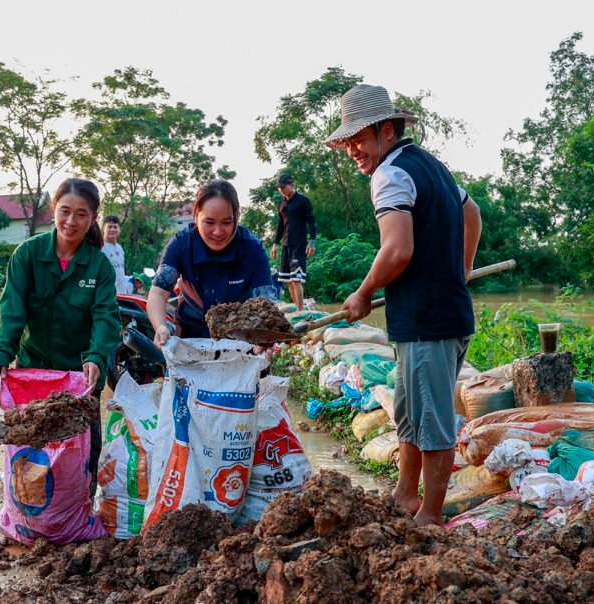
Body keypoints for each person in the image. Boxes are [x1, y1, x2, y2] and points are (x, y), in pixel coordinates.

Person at [325, 84, 481, 527]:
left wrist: (362, 292)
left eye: (358, 139)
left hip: (430, 321)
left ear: (387, 130)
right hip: (428, 318)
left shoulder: (390, 174)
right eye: (348, 141)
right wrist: (462, 268)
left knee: (431, 422)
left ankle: (430, 516)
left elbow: (397, 251)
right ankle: (403, 495)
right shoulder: (431, 166)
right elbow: (472, 215)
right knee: (409, 411)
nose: (353, 150)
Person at [0, 178, 120, 489]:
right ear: (53, 210)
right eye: (65, 211)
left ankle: (80, 512)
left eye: (81, 215)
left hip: (82, 374)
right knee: (34, 449)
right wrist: (3, 349)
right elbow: (12, 308)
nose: (71, 222)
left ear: (93, 218)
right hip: (36, 370)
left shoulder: (99, 266)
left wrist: (97, 356)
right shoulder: (27, 255)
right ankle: (33, 517)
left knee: (83, 452)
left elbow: (105, 318)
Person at [148, 179, 276, 346]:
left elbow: (266, 304)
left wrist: (264, 338)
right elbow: (158, 293)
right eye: (209, 222)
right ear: (196, 216)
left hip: (242, 336)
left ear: (237, 217)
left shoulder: (252, 248)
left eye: (227, 222)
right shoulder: (181, 244)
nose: (218, 232)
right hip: (191, 334)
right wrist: (160, 326)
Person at [271, 173, 316, 310]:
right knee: (287, 280)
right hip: (286, 245)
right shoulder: (281, 203)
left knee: (296, 280)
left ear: (292, 185)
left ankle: (301, 311)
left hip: (299, 245)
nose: (281, 190)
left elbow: (312, 222)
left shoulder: (303, 201)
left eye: (283, 187)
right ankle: (298, 308)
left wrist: (312, 241)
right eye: (279, 188)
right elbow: (280, 225)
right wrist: (275, 244)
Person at [100, 215, 130, 295]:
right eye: (109, 227)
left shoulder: (119, 248)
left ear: (119, 229)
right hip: (107, 294)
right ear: (104, 228)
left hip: (122, 293)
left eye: (115, 227)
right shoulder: (99, 247)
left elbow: (121, 273)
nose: (112, 229)